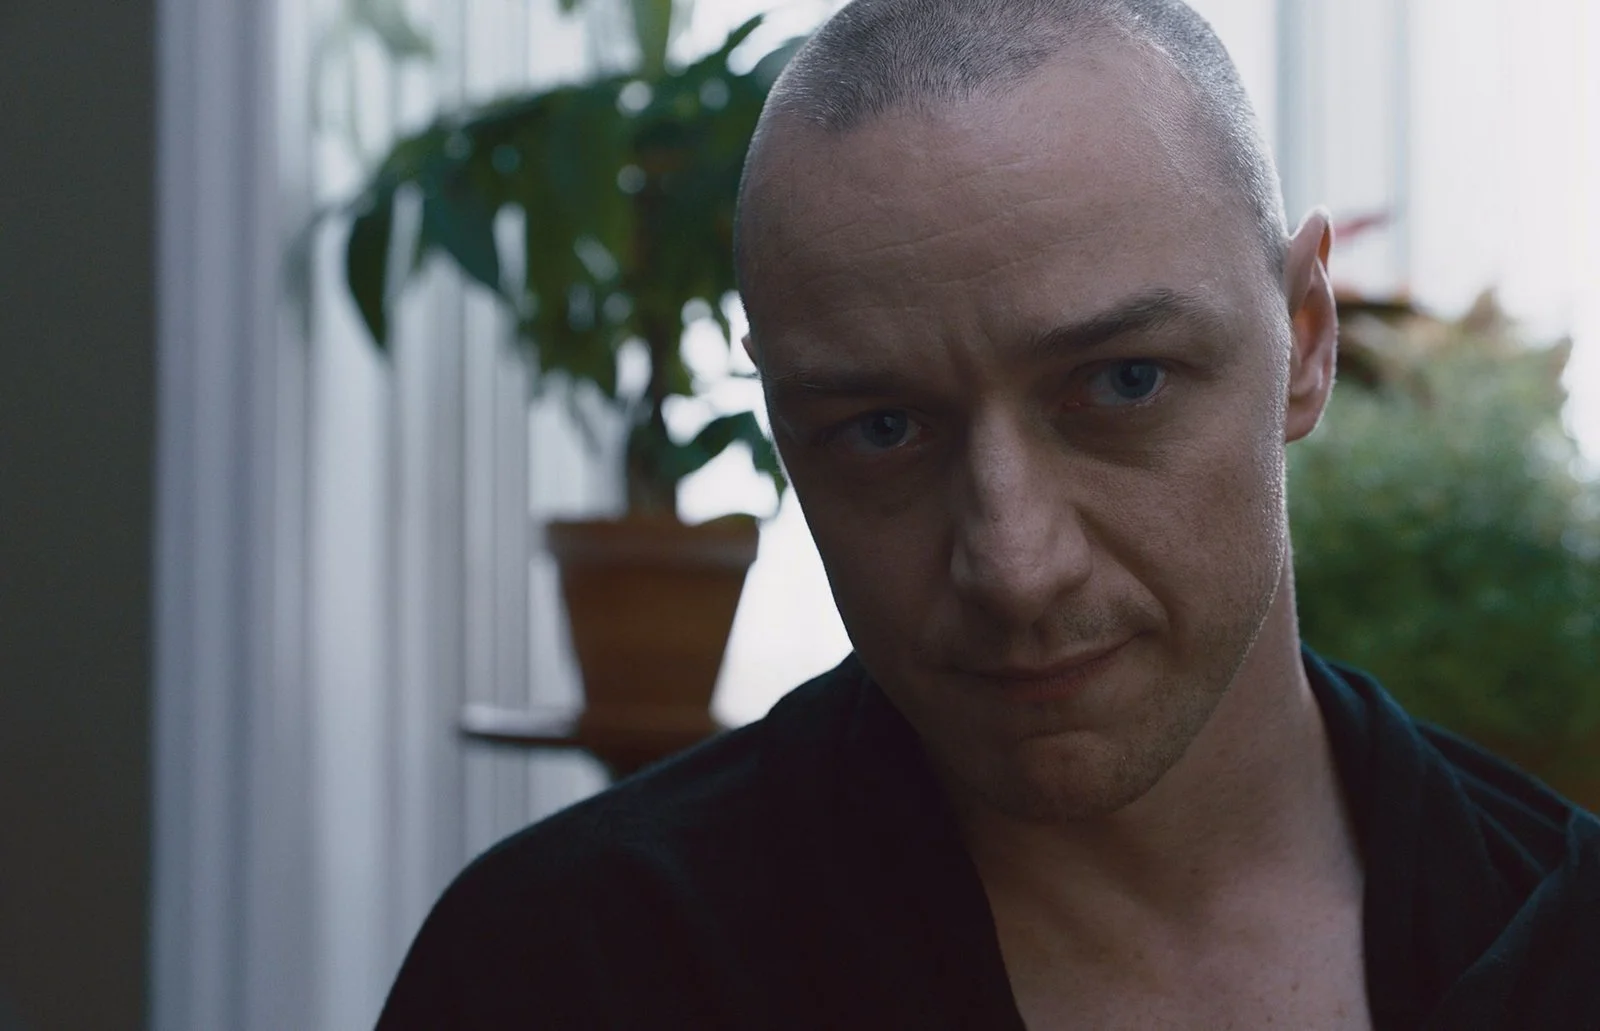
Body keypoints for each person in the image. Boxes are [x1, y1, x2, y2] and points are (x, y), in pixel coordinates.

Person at [376, 1, 1600, 1027]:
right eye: (882, 429)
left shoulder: (1558, 943)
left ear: (1304, 342)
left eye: (1122, 382)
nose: (1014, 564)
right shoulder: (568, 969)